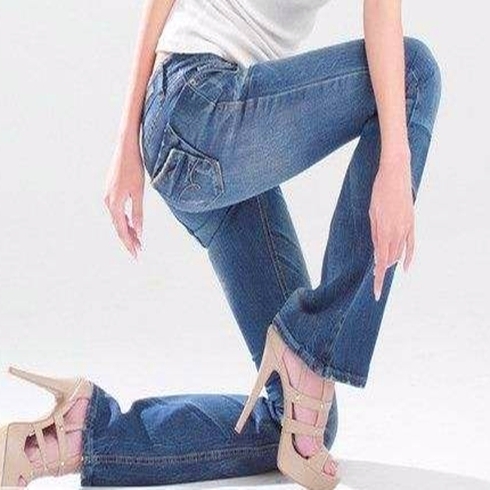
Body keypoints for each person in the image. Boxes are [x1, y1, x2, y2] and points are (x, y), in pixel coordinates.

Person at [0, 0, 441, 487]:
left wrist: (135, 138)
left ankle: (84, 435)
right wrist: (125, 142)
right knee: (414, 73)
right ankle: (315, 341)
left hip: (214, 150)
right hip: (199, 108)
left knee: (299, 420)